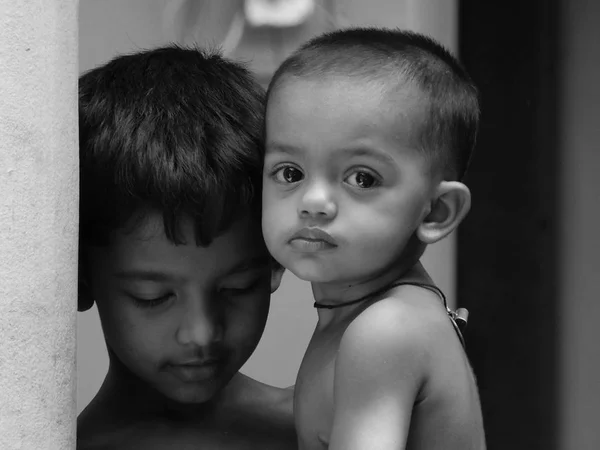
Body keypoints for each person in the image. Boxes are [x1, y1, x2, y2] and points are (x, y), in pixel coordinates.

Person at [261, 27, 486, 450]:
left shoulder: (385, 330)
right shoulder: (365, 315)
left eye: (362, 178)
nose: (313, 202)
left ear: (436, 212)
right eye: (290, 172)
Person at [76, 45, 296, 449]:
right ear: (80, 278)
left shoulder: (332, 426)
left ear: (277, 259)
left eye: (237, 287)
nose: (201, 333)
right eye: (153, 297)